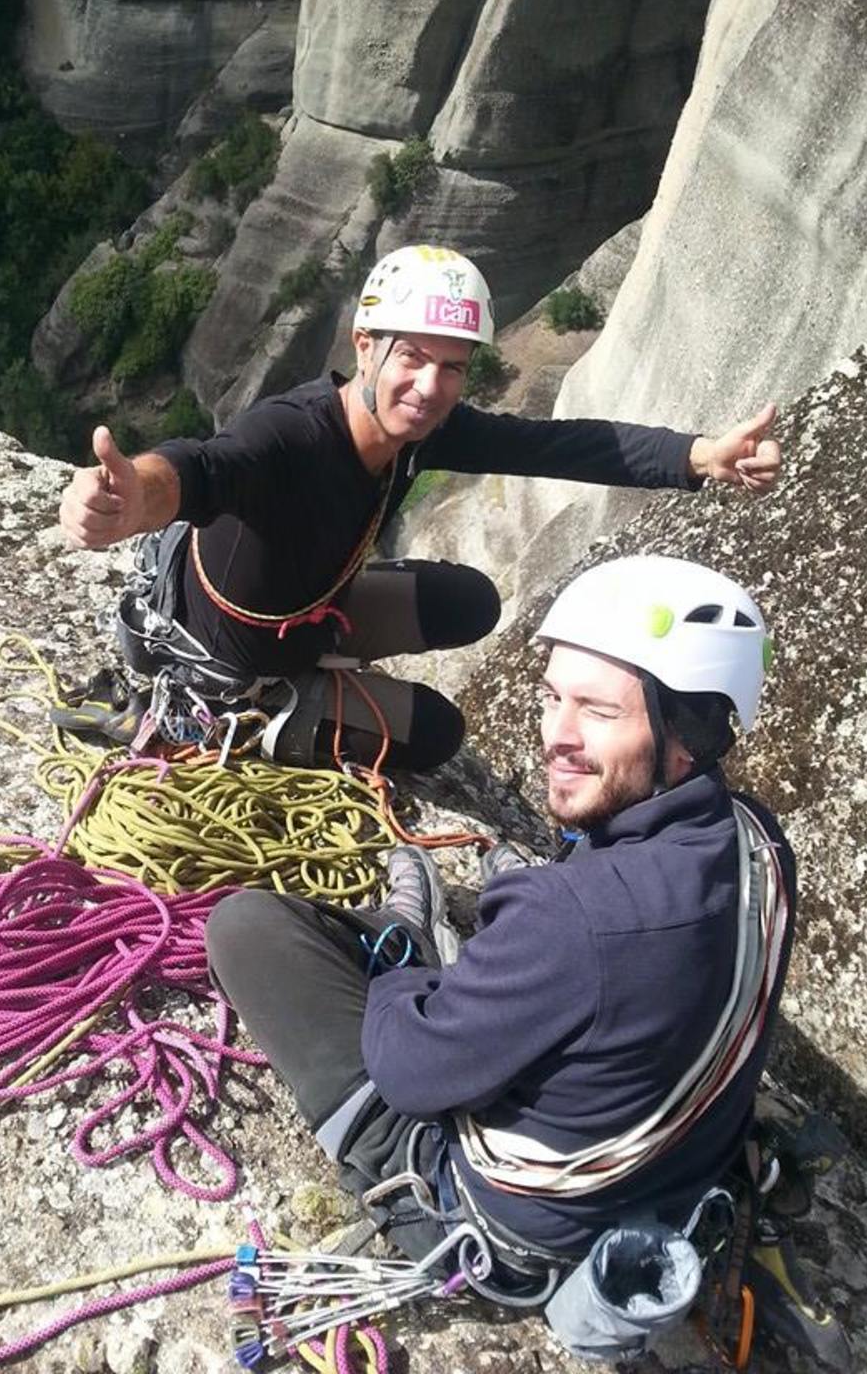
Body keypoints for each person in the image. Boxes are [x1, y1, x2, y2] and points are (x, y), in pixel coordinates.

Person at [206, 556, 813, 1354]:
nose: (555, 734)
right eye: (553, 696)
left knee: (245, 928)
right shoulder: (760, 841)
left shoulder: (570, 917)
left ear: (687, 735)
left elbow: (410, 1072)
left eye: (597, 711)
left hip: (501, 1227)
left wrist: (406, 975)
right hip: (675, 1171)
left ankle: (406, 921)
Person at [59, 245, 781, 768]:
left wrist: (697, 456)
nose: (430, 386)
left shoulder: (420, 432)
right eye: (413, 358)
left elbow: (556, 446)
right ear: (364, 346)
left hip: (314, 608)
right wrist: (128, 502)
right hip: (229, 661)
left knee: (471, 602)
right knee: (437, 734)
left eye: (452, 367)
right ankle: (225, 724)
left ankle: (325, 659)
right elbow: (199, 468)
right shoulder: (290, 437)